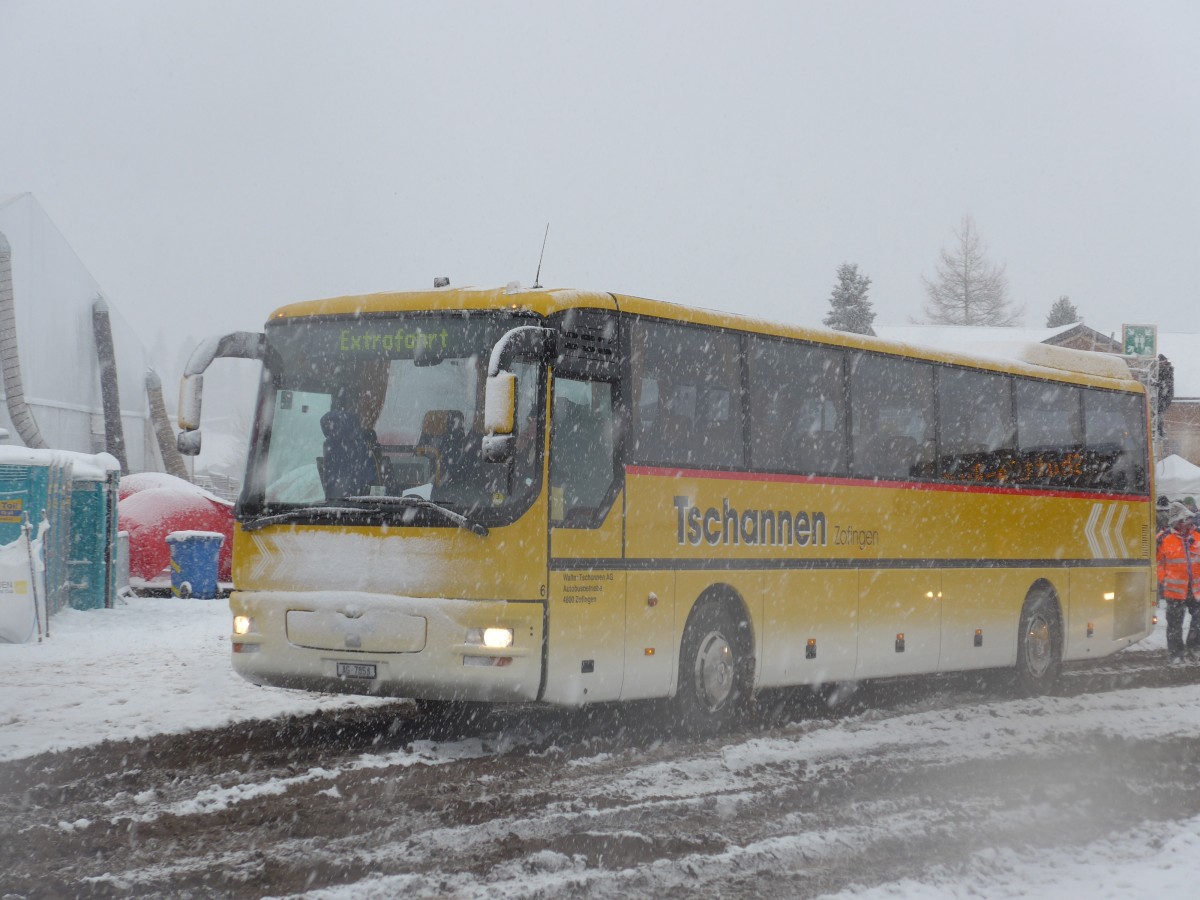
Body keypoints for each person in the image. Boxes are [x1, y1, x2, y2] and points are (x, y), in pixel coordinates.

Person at [1156, 501, 1200, 665]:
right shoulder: (1164, 539)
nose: (1185, 523)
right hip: (1174, 591)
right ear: (1174, 522)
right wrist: (1164, 579)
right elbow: (1158, 563)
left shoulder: (1198, 537)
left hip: (1196, 590)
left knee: (1198, 622)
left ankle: (1195, 648)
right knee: (1174, 625)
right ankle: (1176, 654)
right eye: (1182, 520)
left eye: (1187, 519)